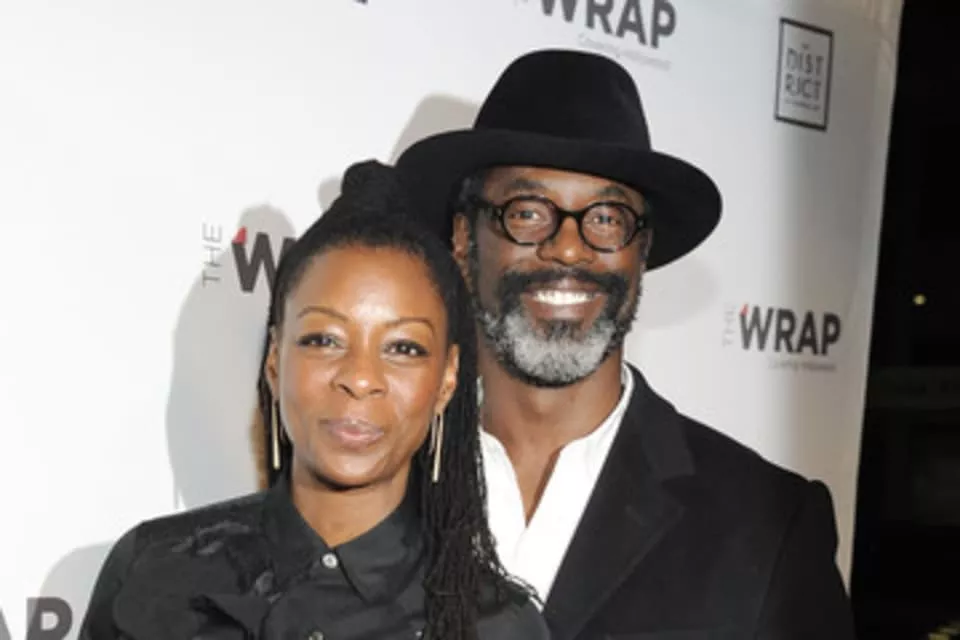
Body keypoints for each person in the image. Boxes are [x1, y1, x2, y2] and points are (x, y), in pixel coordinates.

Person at [395, 49, 857, 639]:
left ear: (641, 251)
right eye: (527, 212)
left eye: (607, 218)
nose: (569, 248)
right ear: (464, 239)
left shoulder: (769, 526)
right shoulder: (381, 475)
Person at [78, 160, 549, 640]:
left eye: (403, 348)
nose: (360, 379)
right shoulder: (153, 573)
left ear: (447, 380)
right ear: (275, 359)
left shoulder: (497, 626)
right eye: (324, 340)